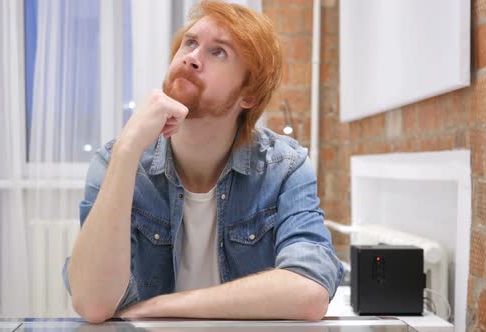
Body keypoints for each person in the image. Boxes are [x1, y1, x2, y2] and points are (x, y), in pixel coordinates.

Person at [63, 0, 343, 323]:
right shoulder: (116, 160)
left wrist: (161, 307)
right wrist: (127, 149)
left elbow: (309, 290)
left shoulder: (284, 168)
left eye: (218, 52)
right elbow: (92, 304)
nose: (192, 58)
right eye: (191, 43)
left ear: (248, 95)